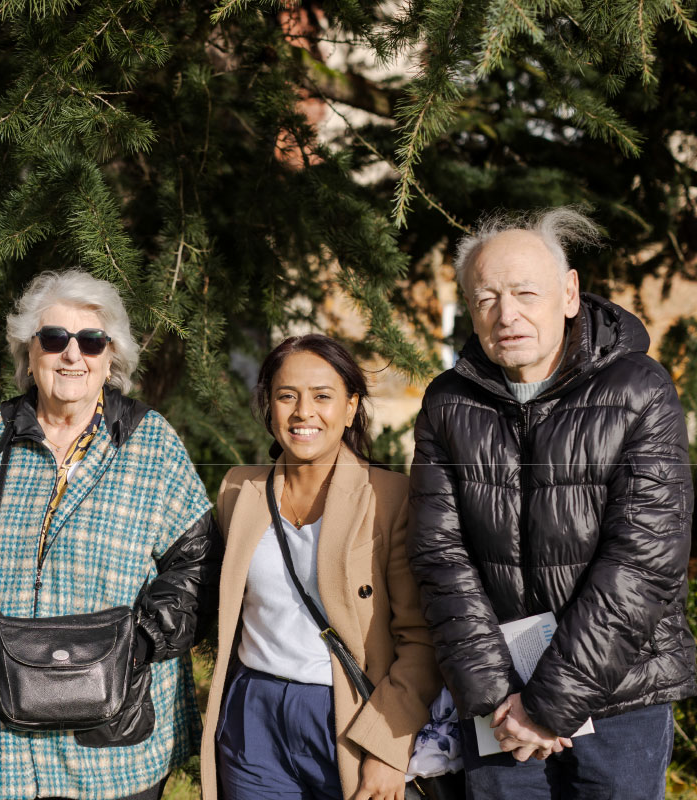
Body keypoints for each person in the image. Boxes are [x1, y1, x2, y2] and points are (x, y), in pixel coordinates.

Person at [408, 207, 696, 799]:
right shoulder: (447, 402)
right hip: (498, 704)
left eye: (524, 293)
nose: (505, 314)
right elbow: (440, 557)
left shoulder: (640, 389)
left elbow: (644, 562)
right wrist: (497, 699)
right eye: (486, 298)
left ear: (568, 293)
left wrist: (549, 703)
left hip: (621, 693)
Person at [0, 270, 218, 800]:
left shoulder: (151, 443)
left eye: (91, 341)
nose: (72, 355)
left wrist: (139, 648)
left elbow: (194, 562)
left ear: (111, 357)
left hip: (113, 737)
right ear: (29, 353)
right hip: (4, 735)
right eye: (54, 339)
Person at [197, 335, 441, 800]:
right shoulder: (237, 491)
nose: (303, 412)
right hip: (253, 715)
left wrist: (389, 746)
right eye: (286, 396)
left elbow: (421, 637)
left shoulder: (388, 498)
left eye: (322, 397)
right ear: (269, 407)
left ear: (350, 408)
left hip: (349, 714)